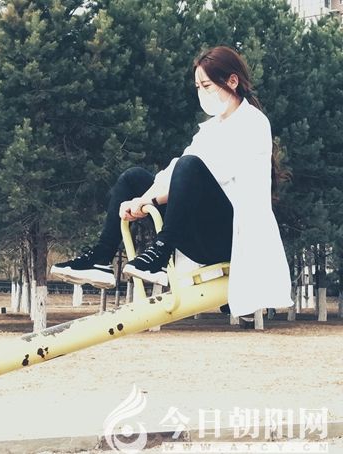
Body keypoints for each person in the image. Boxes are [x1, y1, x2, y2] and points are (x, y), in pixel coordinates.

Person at [51, 46, 292, 317]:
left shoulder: (253, 124)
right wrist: (141, 199)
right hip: (202, 234)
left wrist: (148, 201)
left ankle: (161, 253)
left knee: (189, 166)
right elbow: (171, 173)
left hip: (232, 238)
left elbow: (213, 172)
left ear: (232, 81)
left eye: (207, 86)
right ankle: (101, 258)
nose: (202, 93)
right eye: (198, 87)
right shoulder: (210, 129)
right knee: (133, 178)